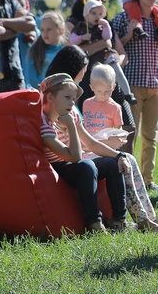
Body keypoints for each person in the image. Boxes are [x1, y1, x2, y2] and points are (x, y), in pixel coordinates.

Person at [39, 73, 130, 233]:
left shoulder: (71, 113)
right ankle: (95, 223)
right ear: (51, 97)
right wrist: (71, 127)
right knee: (86, 165)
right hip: (58, 167)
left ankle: (119, 220)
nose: (72, 102)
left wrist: (119, 156)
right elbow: (74, 157)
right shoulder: (44, 122)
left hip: (75, 164)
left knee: (112, 164)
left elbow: (91, 143)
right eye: (67, 97)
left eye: (74, 98)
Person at [81, 64, 158, 232]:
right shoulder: (85, 104)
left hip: (103, 148)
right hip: (90, 151)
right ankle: (141, 219)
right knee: (124, 164)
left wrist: (110, 142)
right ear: (91, 88)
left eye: (107, 92)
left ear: (113, 88)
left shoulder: (115, 107)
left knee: (130, 160)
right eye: (99, 92)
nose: (103, 95)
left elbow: (117, 135)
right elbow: (86, 139)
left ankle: (149, 216)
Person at [64, 0, 136, 155]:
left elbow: (122, 53)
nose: (99, 3)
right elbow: (71, 51)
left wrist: (117, 60)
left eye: (102, 0)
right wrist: (102, 44)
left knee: (127, 126)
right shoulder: (74, 23)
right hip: (86, 80)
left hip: (109, 79)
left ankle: (125, 166)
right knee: (88, 129)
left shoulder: (105, 25)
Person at [112, 0, 158, 191]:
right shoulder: (123, 18)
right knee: (129, 135)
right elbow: (114, 49)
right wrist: (129, 33)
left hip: (155, 83)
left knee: (150, 137)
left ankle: (148, 180)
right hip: (132, 83)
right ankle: (129, 179)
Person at [71, 0, 135, 105]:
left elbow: (107, 37)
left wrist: (105, 25)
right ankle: (100, 95)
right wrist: (82, 38)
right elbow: (72, 41)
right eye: (94, 13)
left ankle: (128, 94)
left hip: (106, 55)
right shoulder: (80, 27)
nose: (97, 16)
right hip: (93, 59)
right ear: (86, 15)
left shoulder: (102, 26)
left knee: (118, 72)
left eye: (100, 14)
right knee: (99, 75)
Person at [25, 11, 66, 89]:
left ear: (61, 30)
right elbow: (32, 78)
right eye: (42, 30)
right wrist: (45, 91)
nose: (45, 33)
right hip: (42, 95)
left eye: (49, 29)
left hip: (63, 96)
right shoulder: (35, 51)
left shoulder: (67, 53)